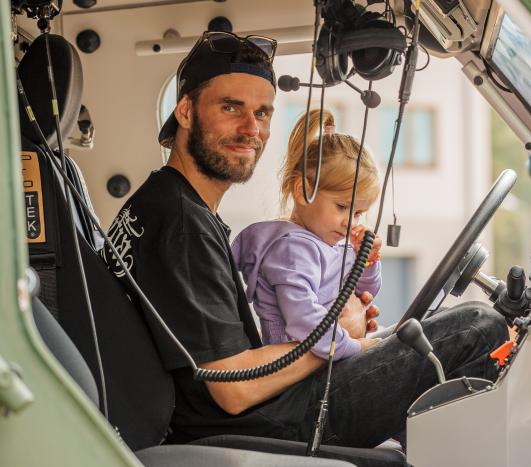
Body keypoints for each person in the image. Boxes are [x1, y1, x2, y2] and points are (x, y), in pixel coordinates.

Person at [103, 31, 508, 449]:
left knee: (433, 334)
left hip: (260, 408)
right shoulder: (181, 222)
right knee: (480, 327)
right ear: (185, 111)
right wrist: (336, 335)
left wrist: (347, 334)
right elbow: (232, 388)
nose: (251, 128)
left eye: (262, 113)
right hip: (260, 422)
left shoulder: (166, 203)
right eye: (231, 108)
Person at [232, 108, 383, 361]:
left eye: (358, 213)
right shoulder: (294, 251)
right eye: (342, 207)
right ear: (303, 191)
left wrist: (368, 259)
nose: (350, 222)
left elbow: (366, 293)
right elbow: (304, 321)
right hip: (300, 375)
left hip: (331, 356)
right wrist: (355, 347)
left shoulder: (328, 242)